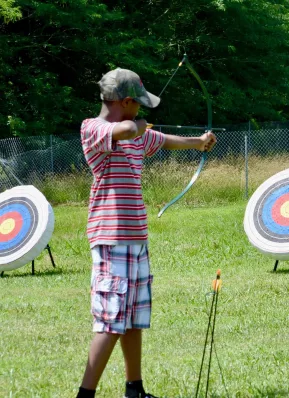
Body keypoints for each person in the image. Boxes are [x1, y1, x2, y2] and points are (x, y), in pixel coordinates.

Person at [77, 67, 216, 398]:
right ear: (125, 102)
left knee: (133, 318)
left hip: (136, 237)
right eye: (138, 104)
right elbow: (125, 129)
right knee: (110, 320)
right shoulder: (93, 129)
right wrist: (136, 126)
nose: (142, 112)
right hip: (110, 238)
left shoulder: (137, 134)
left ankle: (134, 389)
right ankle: (85, 394)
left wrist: (198, 143)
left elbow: (164, 139)